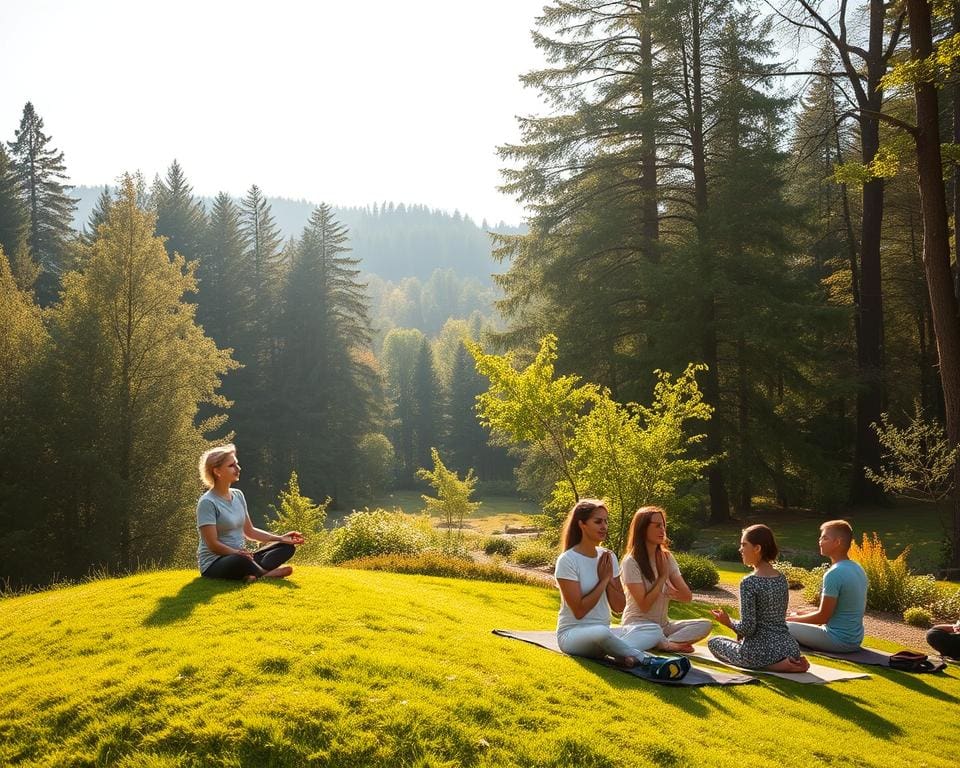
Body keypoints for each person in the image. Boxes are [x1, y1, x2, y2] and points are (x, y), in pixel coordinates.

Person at [554, 498, 690, 680]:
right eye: (598, 521)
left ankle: (621, 653)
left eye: (606, 521)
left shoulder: (608, 557)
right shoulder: (567, 560)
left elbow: (618, 607)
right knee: (601, 634)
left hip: (604, 632)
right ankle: (648, 661)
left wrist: (610, 580)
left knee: (653, 629)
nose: (604, 526)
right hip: (572, 635)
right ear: (582, 524)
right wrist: (603, 580)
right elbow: (578, 611)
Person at [708, 525, 810, 672]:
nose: (740, 549)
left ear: (757, 548)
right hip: (789, 648)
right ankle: (786, 662)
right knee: (733, 642)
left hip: (759, 652)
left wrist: (728, 622)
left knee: (714, 642)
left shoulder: (749, 582)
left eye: (744, 545)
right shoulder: (781, 579)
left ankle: (775, 666)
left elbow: (748, 628)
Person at [196, 444, 304, 581]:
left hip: (243, 557)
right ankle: (266, 574)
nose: (238, 468)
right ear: (217, 471)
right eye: (232, 465)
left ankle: (253, 573)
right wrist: (237, 553)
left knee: (287, 548)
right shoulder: (207, 502)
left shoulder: (238, 495)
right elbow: (213, 545)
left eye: (237, 464)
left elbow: (250, 532)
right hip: (216, 563)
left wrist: (281, 538)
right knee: (239, 560)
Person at [619, 506, 711, 654]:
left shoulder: (666, 557)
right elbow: (644, 605)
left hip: (663, 626)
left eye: (663, 525)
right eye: (657, 526)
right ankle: (662, 642)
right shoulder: (631, 562)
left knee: (705, 625)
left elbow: (687, 597)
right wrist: (662, 578)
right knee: (653, 630)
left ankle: (664, 643)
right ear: (642, 529)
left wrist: (669, 591)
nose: (662, 530)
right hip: (638, 625)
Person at [786, 520, 867, 652]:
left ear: (838, 542)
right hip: (855, 640)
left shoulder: (834, 573)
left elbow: (822, 617)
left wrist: (789, 619)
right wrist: (799, 614)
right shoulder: (857, 568)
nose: (820, 541)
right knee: (796, 614)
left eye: (825, 538)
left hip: (837, 640)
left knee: (780, 625)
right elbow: (833, 613)